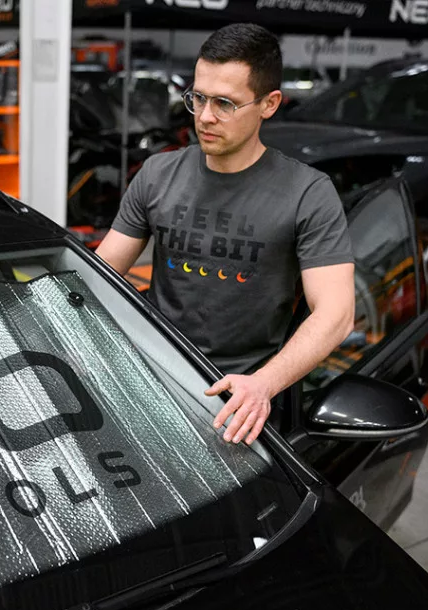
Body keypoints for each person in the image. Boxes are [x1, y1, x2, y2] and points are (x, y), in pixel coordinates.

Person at [95, 23, 355, 448]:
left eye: (225, 103)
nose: (205, 117)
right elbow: (99, 276)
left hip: (238, 402)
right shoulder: (158, 174)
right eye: (198, 98)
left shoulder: (308, 193)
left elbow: (336, 314)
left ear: (269, 104)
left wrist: (264, 384)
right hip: (152, 381)